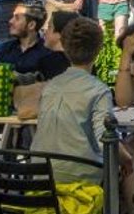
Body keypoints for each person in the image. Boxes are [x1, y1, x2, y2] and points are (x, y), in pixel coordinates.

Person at [31, 16, 121, 184]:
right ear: (99, 49)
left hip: (40, 177)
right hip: (80, 178)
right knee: (127, 159)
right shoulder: (98, 90)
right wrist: (128, 158)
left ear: (64, 47)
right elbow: (106, 141)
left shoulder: (50, 87)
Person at [0, 3, 65, 80]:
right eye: (12, 17)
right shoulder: (5, 49)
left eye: (17, 18)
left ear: (31, 25)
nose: (10, 21)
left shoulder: (48, 54)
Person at [41, 10, 82, 75]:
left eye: (49, 27)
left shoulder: (50, 63)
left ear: (60, 34)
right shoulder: (85, 63)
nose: (45, 31)